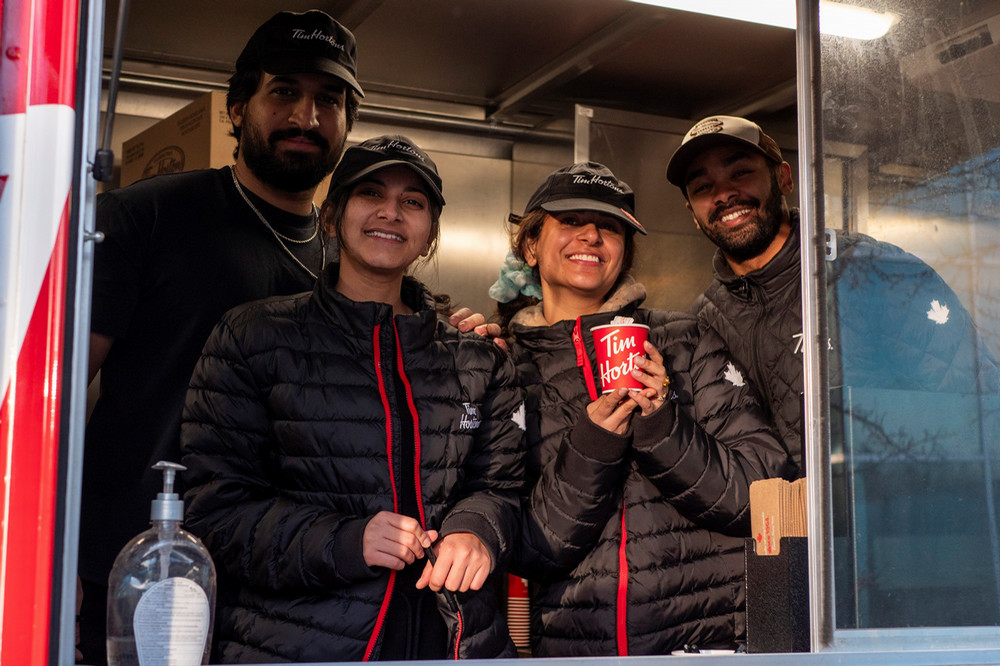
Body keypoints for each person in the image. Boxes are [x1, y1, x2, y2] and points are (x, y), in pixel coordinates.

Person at [79, 11, 490, 662]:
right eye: (284, 93)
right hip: (141, 572)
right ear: (236, 110)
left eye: (330, 100)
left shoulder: (354, 258)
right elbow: (54, 394)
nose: (307, 115)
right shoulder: (149, 216)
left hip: (294, 595)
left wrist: (444, 333)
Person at [180, 135, 525, 662]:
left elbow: (500, 488)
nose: (391, 212)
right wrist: (345, 541)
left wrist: (475, 530)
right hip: (297, 644)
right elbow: (214, 510)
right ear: (332, 216)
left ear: (429, 233)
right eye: (370, 194)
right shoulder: (253, 336)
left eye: (413, 202)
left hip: (455, 644)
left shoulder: (477, 358)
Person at [489, 162, 790, 656]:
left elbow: (761, 490)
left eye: (610, 227)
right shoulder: (504, 367)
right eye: (570, 221)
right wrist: (592, 447)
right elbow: (526, 548)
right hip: (576, 649)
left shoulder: (684, 339)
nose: (591, 235)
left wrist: (662, 426)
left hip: (705, 641)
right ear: (530, 245)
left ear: (625, 250)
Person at [665, 114, 998, 478]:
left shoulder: (874, 270)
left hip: (884, 525)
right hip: (769, 533)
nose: (724, 194)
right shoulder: (701, 325)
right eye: (702, 187)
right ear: (693, 215)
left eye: (740, 173)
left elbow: (979, 409)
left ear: (784, 178)